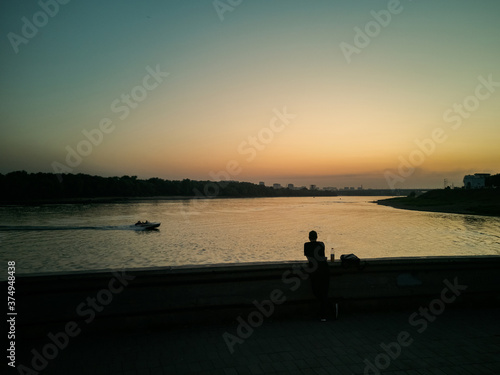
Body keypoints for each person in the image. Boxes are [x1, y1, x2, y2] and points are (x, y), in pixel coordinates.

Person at [304, 230, 330, 321]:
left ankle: (323, 312)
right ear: (317, 237)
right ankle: (324, 314)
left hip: (314, 271)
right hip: (324, 269)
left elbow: (309, 258)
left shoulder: (306, 245)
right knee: (324, 291)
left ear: (309, 237)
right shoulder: (321, 244)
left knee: (316, 291)